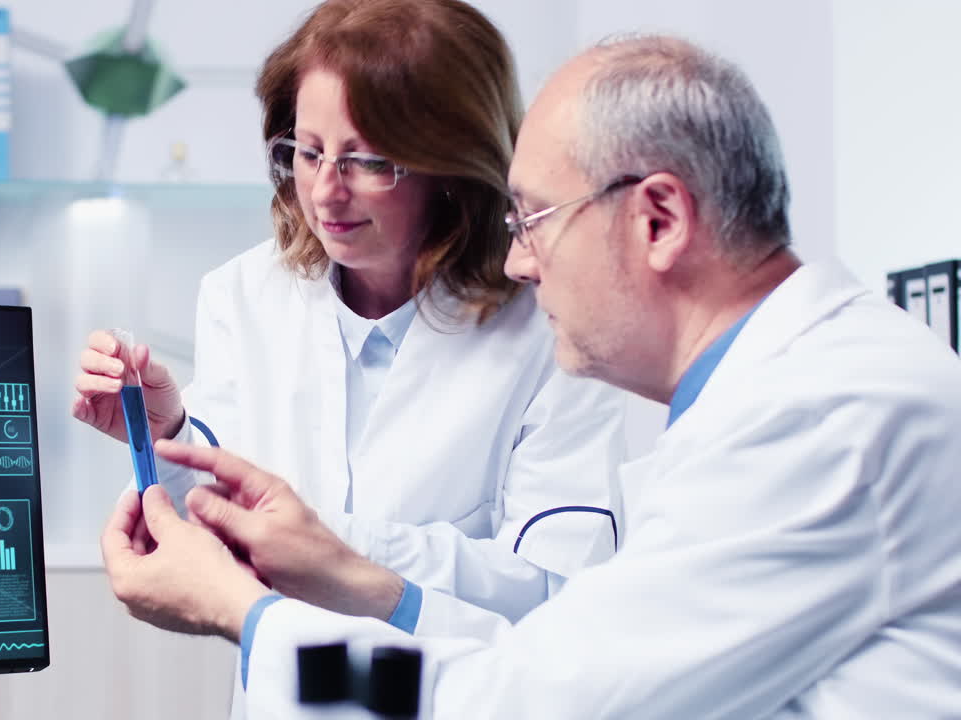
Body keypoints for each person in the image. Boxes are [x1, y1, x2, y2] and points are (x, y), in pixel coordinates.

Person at [101, 33, 961, 719]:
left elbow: (520, 700)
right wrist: (348, 577)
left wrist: (241, 613)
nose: (516, 262)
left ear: (658, 217)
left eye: (535, 218)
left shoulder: (817, 422)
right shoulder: (794, 393)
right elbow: (547, 665)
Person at [77, 0, 625, 649]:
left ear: (451, 164)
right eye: (308, 153)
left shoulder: (554, 331)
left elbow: (561, 592)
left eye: (367, 161)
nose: (326, 192)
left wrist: (333, 548)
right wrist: (166, 431)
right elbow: (212, 533)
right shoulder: (243, 297)